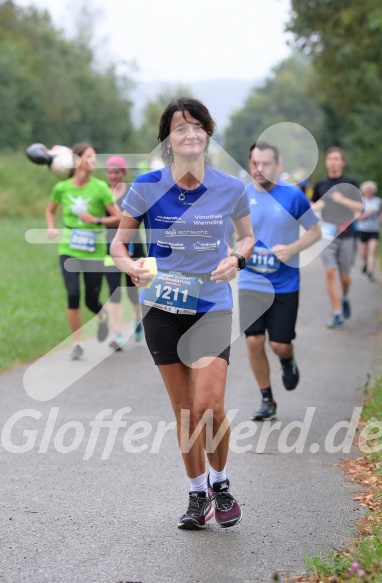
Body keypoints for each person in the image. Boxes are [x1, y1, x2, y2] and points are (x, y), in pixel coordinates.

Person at [111, 97, 254, 530]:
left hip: (210, 304)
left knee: (210, 406)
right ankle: (196, 495)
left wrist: (238, 260)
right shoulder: (147, 186)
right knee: (186, 412)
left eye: (197, 126)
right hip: (162, 306)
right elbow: (118, 245)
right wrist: (131, 265)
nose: (190, 134)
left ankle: (220, 483)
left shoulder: (231, 187)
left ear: (207, 134)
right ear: (168, 139)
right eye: (180, 128)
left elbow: (247, 238)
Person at [238, 142, 321, 421]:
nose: (259, 169)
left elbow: (315, 231)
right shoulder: (240, 197)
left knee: (279, 345)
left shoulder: (293, 196)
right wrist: (234, 254)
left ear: (278, 165)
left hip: (285, 284)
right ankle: (267, 399)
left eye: (265, 163)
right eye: (254, 163)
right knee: (253, 341)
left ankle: (288, 360)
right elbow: (226, 238)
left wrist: (292, 248)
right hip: (251, 281)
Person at [45, 143, 120, 360]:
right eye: (90, 157)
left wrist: (97, 220)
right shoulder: (62, 188)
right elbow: (50, 210)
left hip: (94, 251)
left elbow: (118, 217)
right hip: (68, 248)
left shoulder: (100, 188)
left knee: (90, 300)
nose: (95, 161)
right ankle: (77, 343)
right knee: (72, 294)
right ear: (77, 160)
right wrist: (51, 228)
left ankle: (102, 314)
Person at [311, 147, 363, 328]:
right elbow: (313, 204)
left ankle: (345, 297)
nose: (333, 162)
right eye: (330, 159)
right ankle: (337, 313)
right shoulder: (320, 184)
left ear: (342, 162)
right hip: (327, 235)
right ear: (326, 162)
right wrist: (317, 205)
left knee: (345, 277)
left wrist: (342, 200)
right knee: (330, 272)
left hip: (347, 234)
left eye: (336, 159)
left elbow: (359, 207)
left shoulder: (350, 183)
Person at [104, 155, 146, 350]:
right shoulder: (103, 192)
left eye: (116, 172)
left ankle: (138, 319)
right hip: (110, 248)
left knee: (131, 291)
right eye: (110, 172)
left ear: (123, 172)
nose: (113, 175)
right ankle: (118, 334)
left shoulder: (133, 191)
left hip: (134, 247)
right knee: (114, 293)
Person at [357, 181, 382, 281]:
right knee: (363, 253)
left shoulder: (378, 201)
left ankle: (370, 271)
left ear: (373, 191)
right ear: (363, 191)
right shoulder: (361, 201)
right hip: (363, 229)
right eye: (367, 190)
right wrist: (368, 214)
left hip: (374, 229)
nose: (368, 192)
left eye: (370, 190)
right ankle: (366, 264)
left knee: (372, 251)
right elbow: (358, 218)